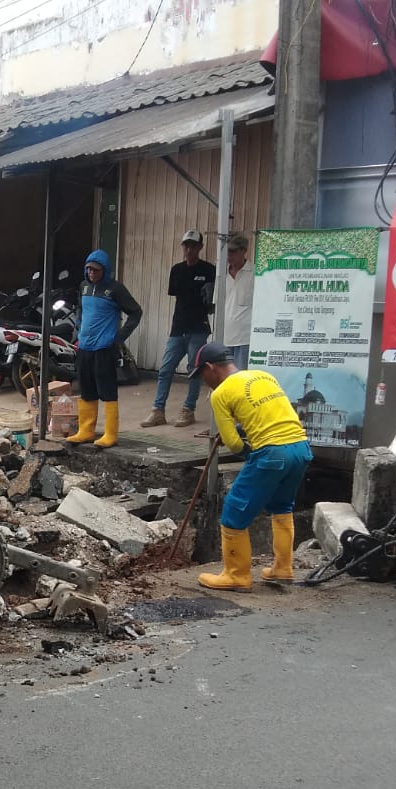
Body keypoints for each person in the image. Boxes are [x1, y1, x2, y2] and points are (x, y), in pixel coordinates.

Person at [189, 341, 312, 590]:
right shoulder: (262, 375)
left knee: (234, 510)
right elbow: (268, 414)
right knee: (281, 506)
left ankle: (236, 575)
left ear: (211, 367)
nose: (204, 380)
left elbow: (233, 445)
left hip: (272, 452)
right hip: (300, 448)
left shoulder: (220, 394)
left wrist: (251, 454)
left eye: (202, 373)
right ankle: (283, 568)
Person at [67, 248, 143, 449]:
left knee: (107, 389)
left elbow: (136, 312)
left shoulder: (115, 289)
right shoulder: (83, 286)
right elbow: (81, 309)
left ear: (105, 270)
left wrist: (119, 337)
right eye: (89, 269)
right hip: (85, 347)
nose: (92, 273)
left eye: (96, 270)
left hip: (104, 347)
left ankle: (110, 433)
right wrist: (79, 327)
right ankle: (86, 430)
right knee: (86, 388)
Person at [142, 229, 216, 428]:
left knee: (194, 370)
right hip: (178, 327)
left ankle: (188, 409)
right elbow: (176, 296)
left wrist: (210, 298)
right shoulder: (177, 270)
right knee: (165, 369)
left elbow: (213, 302)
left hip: (198, 328)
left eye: (193, 246)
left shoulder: (209, 270)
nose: (189, 249)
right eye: (186, 245)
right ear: (182, 247)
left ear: (200, 247)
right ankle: (158, 410)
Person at [221, 232, 254, 369]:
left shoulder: (255, 273)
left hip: (245, 337)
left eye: (233, 251)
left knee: (241, 378)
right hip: (224, 336)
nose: (229, 255)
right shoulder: (221, 273)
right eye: (227, 251)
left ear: (244, 251)